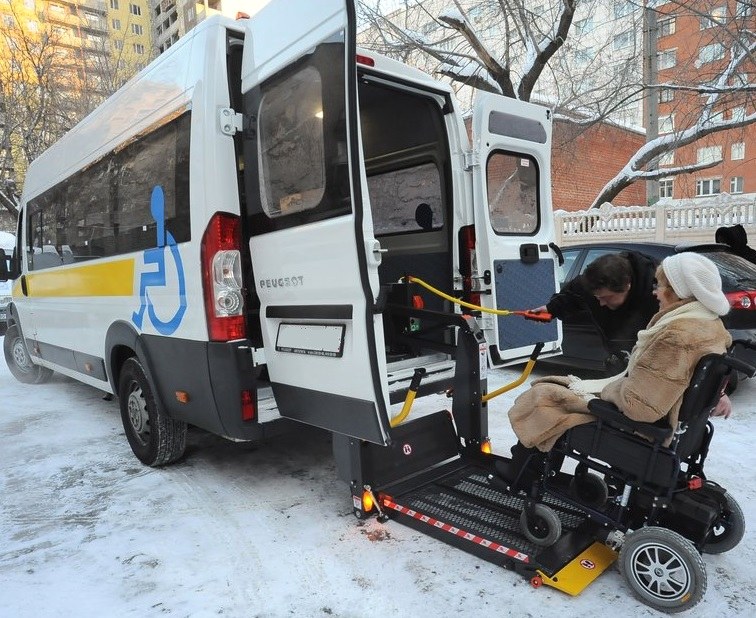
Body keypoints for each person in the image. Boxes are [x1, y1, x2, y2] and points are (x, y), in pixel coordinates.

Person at [500, 252, 732, 483]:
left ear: (677, 292)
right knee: (554, 387)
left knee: (544, 398)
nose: (655, 291)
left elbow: (639, 407)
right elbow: (576, 293)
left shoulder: (676, 334)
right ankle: (538, 471)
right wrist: (550, 309)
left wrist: (606, 392)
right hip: (642, 386)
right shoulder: (706, 323)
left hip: (640, 416)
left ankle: (523, 475)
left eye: (660, 286)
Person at [540, 251, 659, 352]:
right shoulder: (593, 283)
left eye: (607, 297)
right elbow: (571, 295)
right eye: (598, 297)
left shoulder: (657, 292)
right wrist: (550, 310)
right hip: (618, 355)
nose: (601, 303)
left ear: (627, 285)